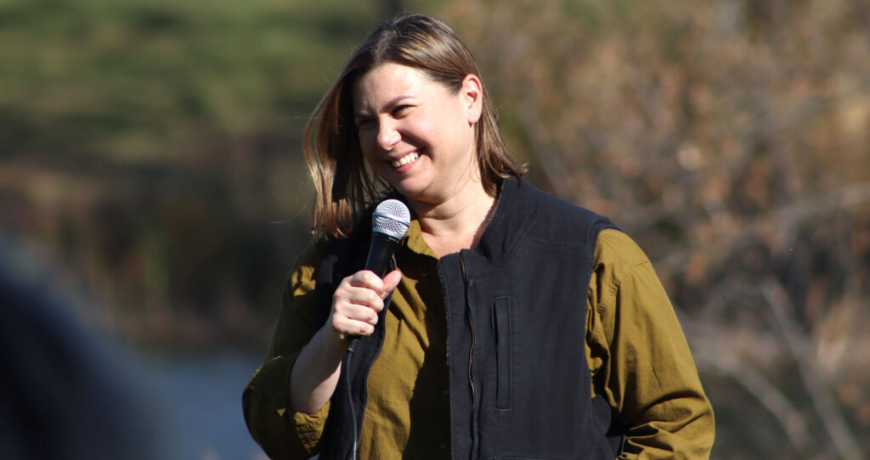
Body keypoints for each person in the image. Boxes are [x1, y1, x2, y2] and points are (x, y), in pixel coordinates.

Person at [242, 13, 714, 460]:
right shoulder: (332, 266)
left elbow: (677, 426)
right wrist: (329, 342)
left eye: (401, 110)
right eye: (367, 122)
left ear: (470, 98)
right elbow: (279, 435)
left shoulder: (592, 257)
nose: (384, 137)